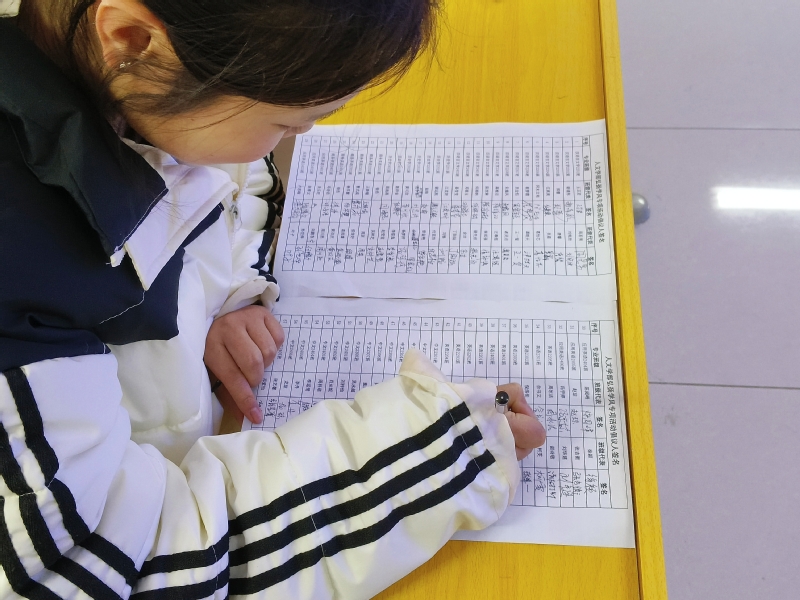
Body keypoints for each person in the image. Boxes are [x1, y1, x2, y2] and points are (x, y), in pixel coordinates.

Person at [0, 0, 546, 598]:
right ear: (130, 38)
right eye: (288, 124)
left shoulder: (137, 68)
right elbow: (102, 566)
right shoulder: (20, 270)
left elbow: (231, 172)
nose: (301, 138)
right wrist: (439, 451)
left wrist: (221, 290)